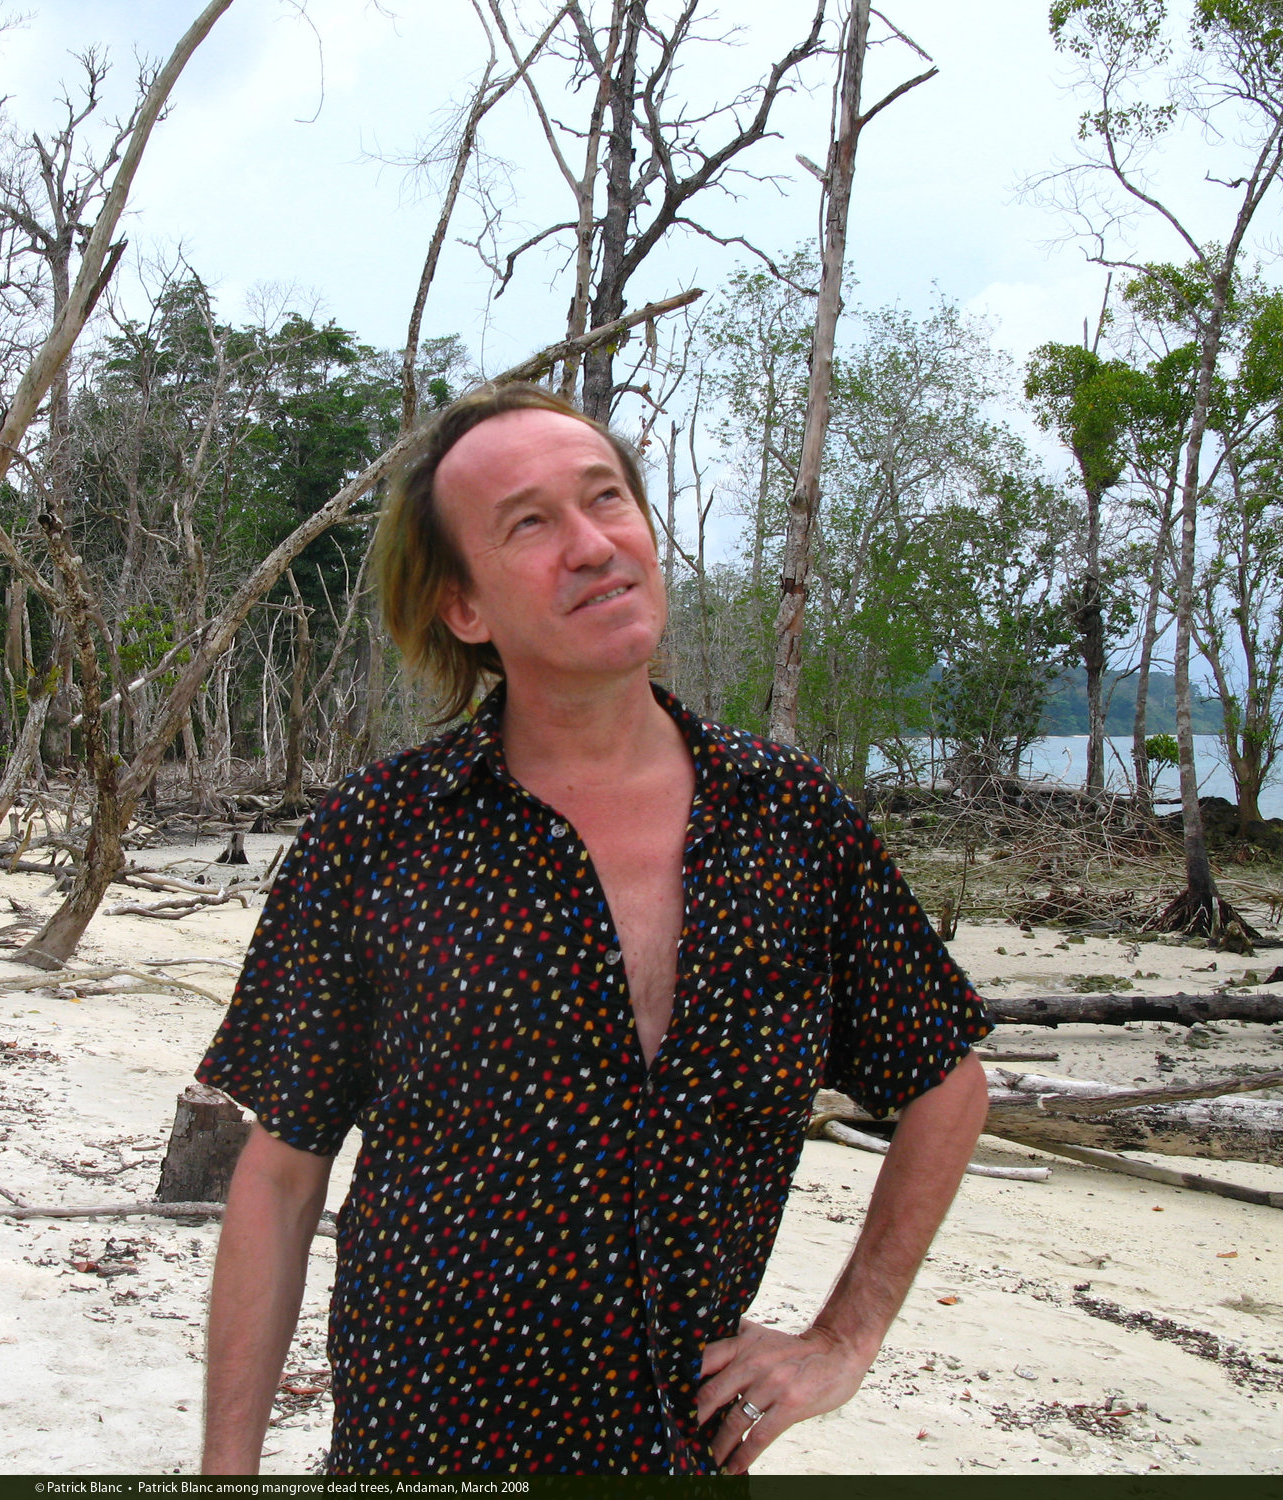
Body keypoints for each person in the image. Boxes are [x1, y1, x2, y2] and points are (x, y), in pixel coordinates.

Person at [194, 382, 992, 1476]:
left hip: (678, 1454)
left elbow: (946, 1080)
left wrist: (843, 1338)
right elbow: (282, 1174)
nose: (592, 544)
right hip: (422, 1448)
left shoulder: (793, 822)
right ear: (463, 608)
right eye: (528, 524)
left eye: (606, 498)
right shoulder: (377, 835)